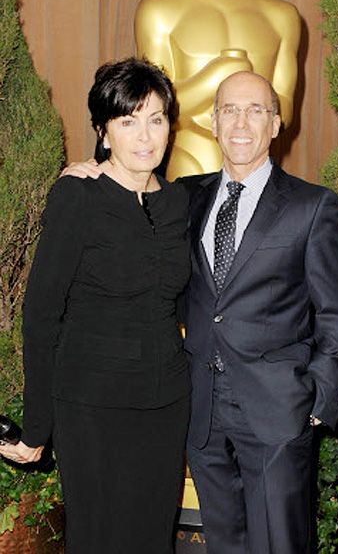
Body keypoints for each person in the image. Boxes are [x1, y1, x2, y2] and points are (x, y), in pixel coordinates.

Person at [59, 70, 338, 554]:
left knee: (279, 544)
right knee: (222, 545)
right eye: (230, 110)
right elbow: (127, 198)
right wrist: (89, 168)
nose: (242, 122)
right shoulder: (183, 197)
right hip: (199, 410)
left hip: (278, 413)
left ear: (277, 124)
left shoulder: (313, 207)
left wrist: (316, 401)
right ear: (212, 123)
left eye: (256, 110)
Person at [0, 57, 191, 554]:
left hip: (166, 403)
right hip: (91, 404)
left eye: (156, 119)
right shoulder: (77, 198)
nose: (144, 136)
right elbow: (41, 314)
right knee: (99, 540)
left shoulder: (178, 203)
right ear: (104, 132)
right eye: (128, 121)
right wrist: (37, 424)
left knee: (153, 540)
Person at [135, 0, 300, 179]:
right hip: (190, 166)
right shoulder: (159, 10)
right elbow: (153, 110)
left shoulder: (281, 16)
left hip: (257, 175)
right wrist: (213, 79)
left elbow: (285, 107)